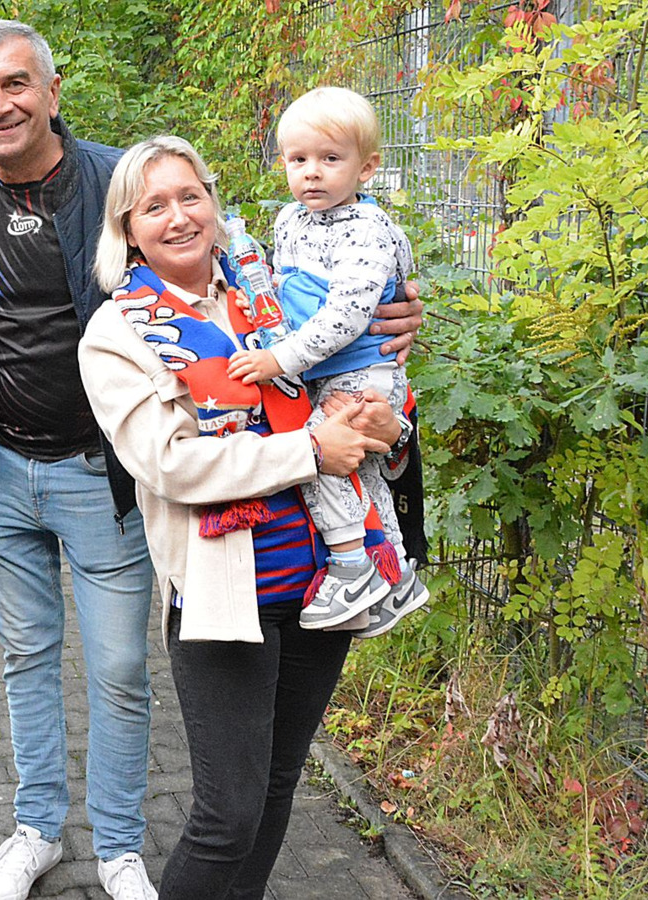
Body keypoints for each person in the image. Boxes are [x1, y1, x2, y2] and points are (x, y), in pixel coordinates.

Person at [0, 20, 424, 900]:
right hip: (20, 474)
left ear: (53, 90)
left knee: (140, 687)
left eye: (15, 83)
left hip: (134, 489)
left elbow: (347, 334)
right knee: (36, 666)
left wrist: (395, 335)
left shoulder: (257, 286)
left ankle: (118, 848)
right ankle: (37, 829)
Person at [79, 135, 414, 900]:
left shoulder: (280, 291)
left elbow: (357, 369)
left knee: (276, 787)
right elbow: (171, 464)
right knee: (226, 816)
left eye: (189, 195)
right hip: (229, 597)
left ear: (213, 200)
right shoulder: (116, 334)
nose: (177, 217)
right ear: (128, 229)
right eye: (153, 206)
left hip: (327, 584)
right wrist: (309, 451)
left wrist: (389, 423)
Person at [226, 87, 428, 638]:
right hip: (325, 371)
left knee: (321, 457)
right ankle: (397, 574)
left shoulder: (366, 231)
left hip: (363, 371)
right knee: (364, 473)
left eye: (330, 158)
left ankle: (350, 565)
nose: (311, 172)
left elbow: (347, 316)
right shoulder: (291, 219)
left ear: (367, 168)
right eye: (298, 159)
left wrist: (279, 358)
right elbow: (284, 289)